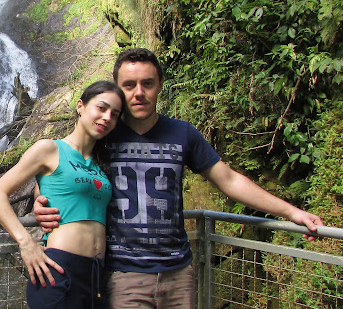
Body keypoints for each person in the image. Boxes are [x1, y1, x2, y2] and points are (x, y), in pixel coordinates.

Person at [34, 48, 323, 309]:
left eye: (148, 83)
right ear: (117, 88)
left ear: (160, 85)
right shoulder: (103, 131)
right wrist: (40, 198)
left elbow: (229, 180)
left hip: (178, 273)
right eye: (129, 85)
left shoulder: (183, 133)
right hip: (123, 275)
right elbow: (64, 167)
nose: (139, 93)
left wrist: (291, 212)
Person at [0, 80, 125, 309]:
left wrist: (39, 197)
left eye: (115, 114)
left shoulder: (100, 163)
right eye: (101, 108)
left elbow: (62, 188)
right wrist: (25, 242)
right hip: (59, 269)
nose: (107, 117)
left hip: (96, 274)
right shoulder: (49, 149)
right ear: (80, 106)